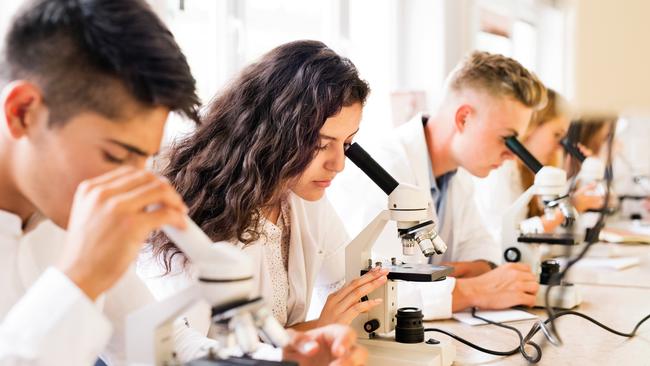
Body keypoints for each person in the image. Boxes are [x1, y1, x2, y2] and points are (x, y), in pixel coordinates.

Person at [0, 1, 366, 365]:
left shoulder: (61, 213)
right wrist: (81, 276)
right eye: (114, 156)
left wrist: (277, 356)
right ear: (23, 112)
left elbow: (158, 345)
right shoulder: (78, 217)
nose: (133, 184)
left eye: (143, 158)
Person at [139, 39, 384, 349]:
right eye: (321, 145)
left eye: (346, 144)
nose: (338, 164)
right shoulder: (195, 212)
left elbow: (347, 288)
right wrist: (317, 328)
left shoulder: (300, 196)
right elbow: (183, 350)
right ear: (273, 132)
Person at [330, 51, 547, 319]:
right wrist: (472, 291)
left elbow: (482, 251)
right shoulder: (382, 167)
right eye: (507, 139)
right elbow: (372, 290)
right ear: (464, 119)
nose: (513, 155)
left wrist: (457, 276)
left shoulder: (458, 174)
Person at [474, 89, 605, 241]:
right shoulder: (501, 170)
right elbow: (504, 237)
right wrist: (568, 208)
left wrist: (577, 175)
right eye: (557, 135)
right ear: (531, 127)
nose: (559, 147)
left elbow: (557, 233)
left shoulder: (535, 173)